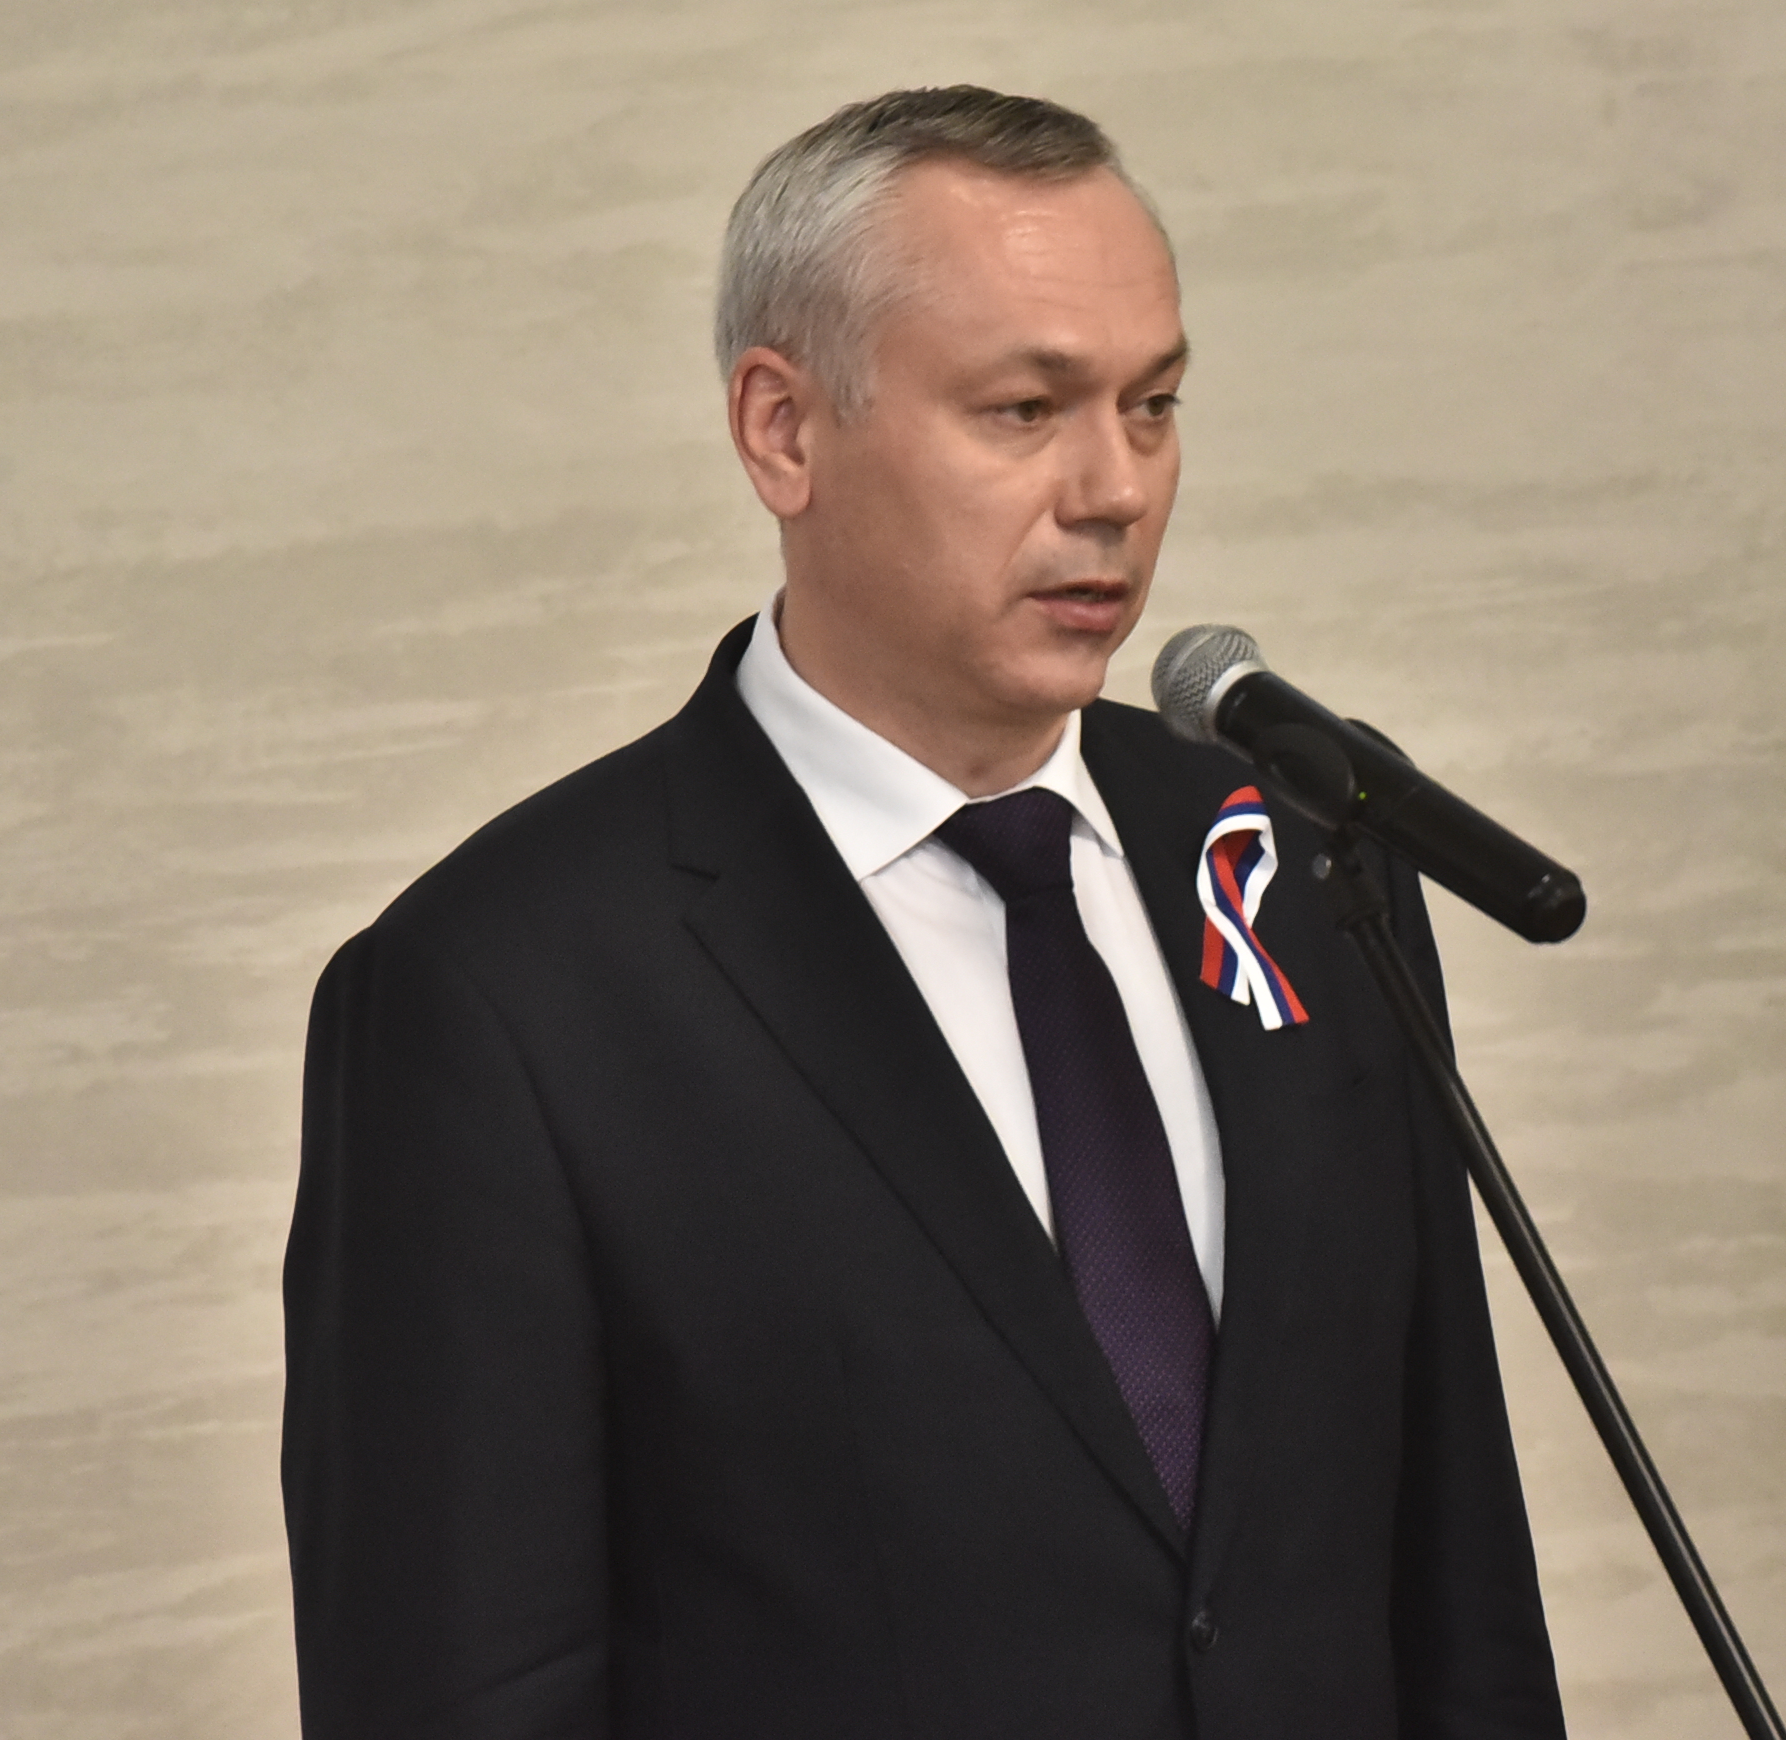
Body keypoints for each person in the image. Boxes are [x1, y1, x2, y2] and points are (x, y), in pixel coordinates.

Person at [279, 88, 1566, 1738]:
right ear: (783, 432)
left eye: (1153, 405)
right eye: (1025, 410)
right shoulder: (500, 998)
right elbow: (462, 1685)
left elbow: (1454, 1582)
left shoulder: (1297, 858)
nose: (1114, 488)